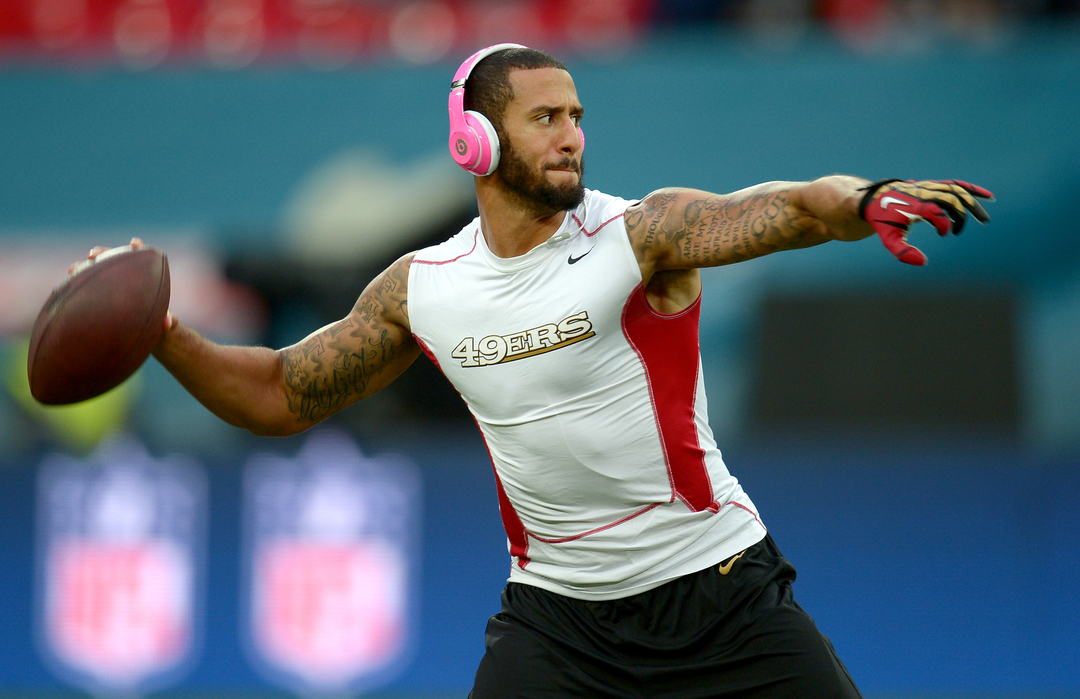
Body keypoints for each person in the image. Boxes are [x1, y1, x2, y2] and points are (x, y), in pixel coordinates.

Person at [103, 44, 993, 698]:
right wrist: (163, 333)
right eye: (546, 118)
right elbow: (280, 394)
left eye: (577, 116)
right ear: (475, 143)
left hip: (722, 598)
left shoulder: (641, 234)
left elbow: (784, 210)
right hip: (558, 625)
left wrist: (864, 199)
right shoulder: (425, 289)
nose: (572, 136)